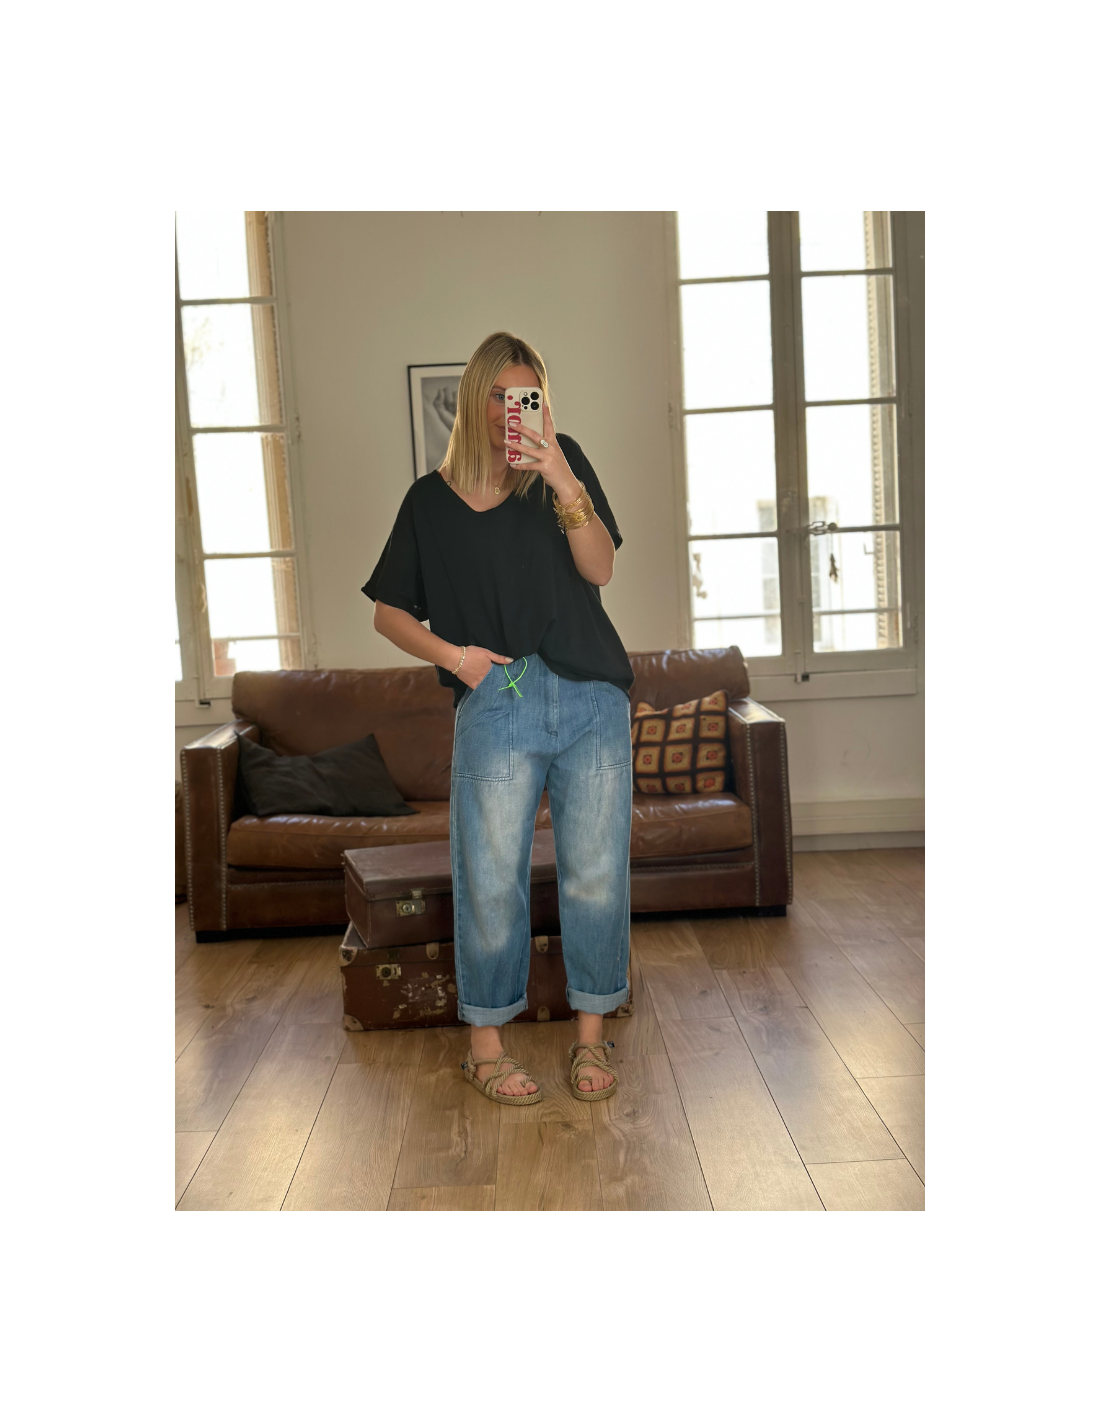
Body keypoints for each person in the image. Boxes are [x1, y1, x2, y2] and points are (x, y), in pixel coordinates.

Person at [362, 331, 634, 1105]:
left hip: (590, 697)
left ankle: (590, 1039)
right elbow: (388, 612)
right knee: (488, 880)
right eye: (498, 393)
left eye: (526, 394)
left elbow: (600, 567)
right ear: (475, 397)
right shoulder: (429, 500)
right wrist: (459, 660)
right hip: (496, 698)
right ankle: (486, 1051)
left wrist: (561, 477)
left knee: (595, 878)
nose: (511, 408)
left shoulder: (562, 466)